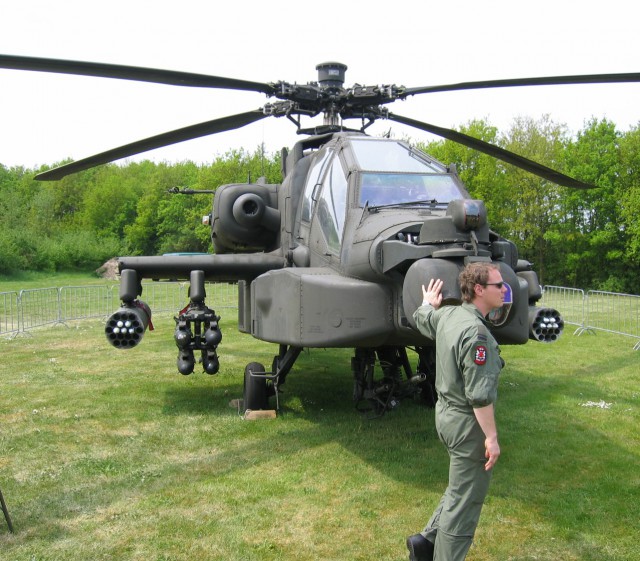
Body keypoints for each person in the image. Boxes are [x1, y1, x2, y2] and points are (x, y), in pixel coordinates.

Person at [406, 262, 507, 561]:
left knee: (460, 487)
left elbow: (423, 318)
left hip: (446, 417)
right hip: (466, 425)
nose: (504, 290)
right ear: (479, 289)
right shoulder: (476, 334)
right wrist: (491, 437)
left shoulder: (449, 314)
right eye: (498, 286)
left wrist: (426, 304)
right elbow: (479, 396)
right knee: (465, 504)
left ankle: (424, 543)